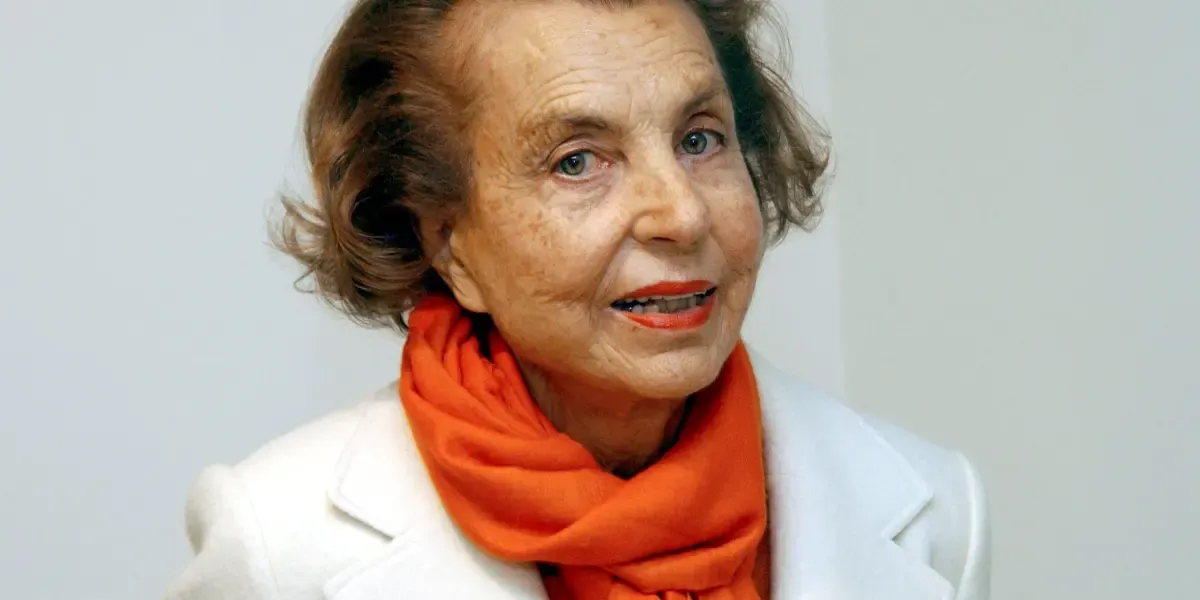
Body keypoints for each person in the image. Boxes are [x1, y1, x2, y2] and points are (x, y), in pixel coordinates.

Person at [165, 0, 991, 598]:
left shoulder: (937, 511)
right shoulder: (280, 541)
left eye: (700, 139)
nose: (681, 213)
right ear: (448, 241)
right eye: (577, 161)